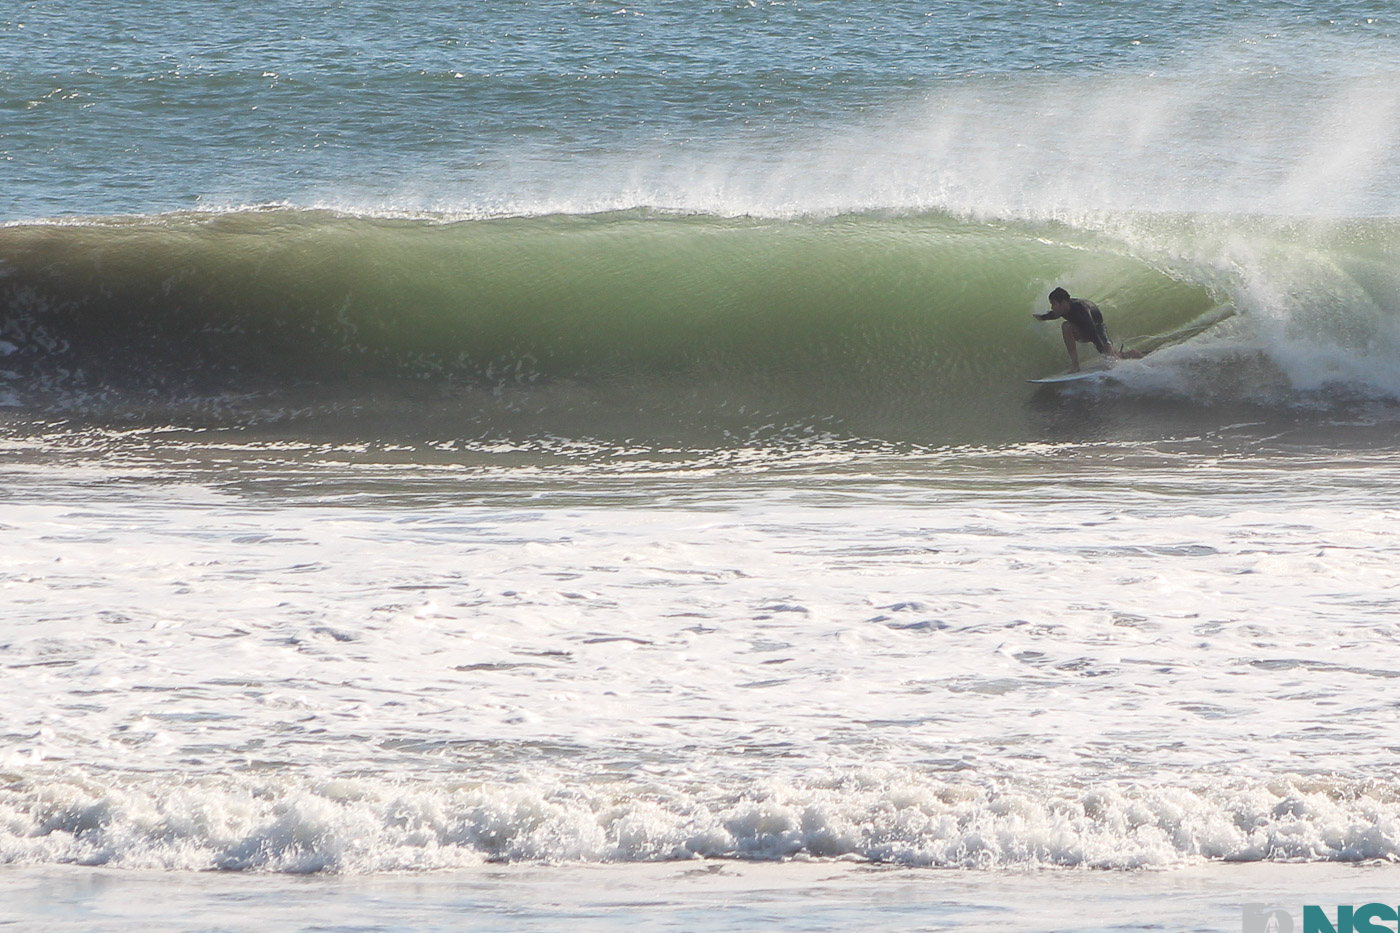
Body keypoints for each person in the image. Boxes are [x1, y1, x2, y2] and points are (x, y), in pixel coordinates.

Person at [1034, 287, 1142, 372]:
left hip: (1097, 328)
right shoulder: (1063, 309)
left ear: (1064, 302)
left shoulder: (1081, 309)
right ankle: (1075, 366)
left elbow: (1094, 333)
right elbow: (1053, 315)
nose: (1052, 307)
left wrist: (1104, 353)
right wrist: (1041, 317)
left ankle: (1129, 354)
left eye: (1054, 304)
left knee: (1110, 356)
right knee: (1066, 326)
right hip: (1082, 330)